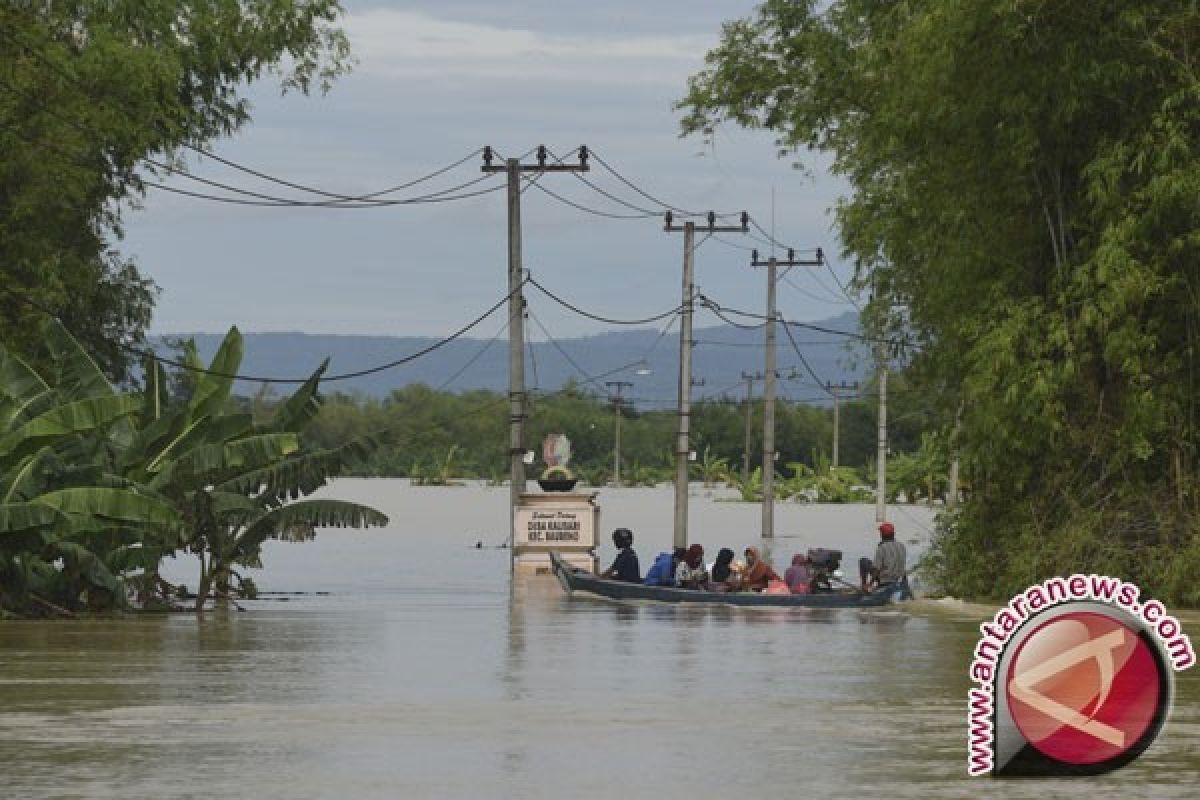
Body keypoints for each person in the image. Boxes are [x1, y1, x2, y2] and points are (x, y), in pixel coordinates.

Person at [860, 522, 907, 591]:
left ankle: (864, 586)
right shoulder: (902, 546)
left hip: (885, 579)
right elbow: (902, 564)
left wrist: (870, 584)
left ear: (882, 535)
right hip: (897, 578)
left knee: (863, 561)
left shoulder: (882, 548)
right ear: (894, 534)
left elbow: (876, 569)